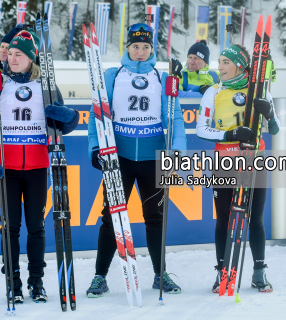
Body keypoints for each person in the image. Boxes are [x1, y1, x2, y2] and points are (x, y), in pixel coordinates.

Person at [0, 29, 79, 303]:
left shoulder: (46, 86)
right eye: (11, 54)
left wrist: (69, 118)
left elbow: (64, 125)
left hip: (36, 169)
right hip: (6, 169)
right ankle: (13, 283)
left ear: (31, 58)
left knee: (36, 228)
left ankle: (36, 282)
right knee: (9, 228)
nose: (13, 58)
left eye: (20, 55)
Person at [86, 23, 187, 298]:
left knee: (156, 218)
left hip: (153, 158)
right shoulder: (113, 75)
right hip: (120, 158)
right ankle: (99, 276)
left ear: (151, 50)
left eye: (145, 47)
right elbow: (97, 112)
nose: (140, 52)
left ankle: (160, 273)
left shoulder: (161, 77)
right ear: (127, 48)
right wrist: (96, 147)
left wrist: (177, 150)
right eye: (135, 47)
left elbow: (175, 117)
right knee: (112, 218)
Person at [195, 44, 280, 293]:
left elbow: (275, 130)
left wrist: (270, 115)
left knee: (255, 220)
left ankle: (259, 273)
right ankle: (222, 272)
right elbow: (201, 129)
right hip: (225, 163)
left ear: (239, 66)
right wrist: (229, 133)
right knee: (224, 220)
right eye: (219, 62)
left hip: (255, 161)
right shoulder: (213, 91)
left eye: (225, 63)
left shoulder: (260, 91)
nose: (219, 67)